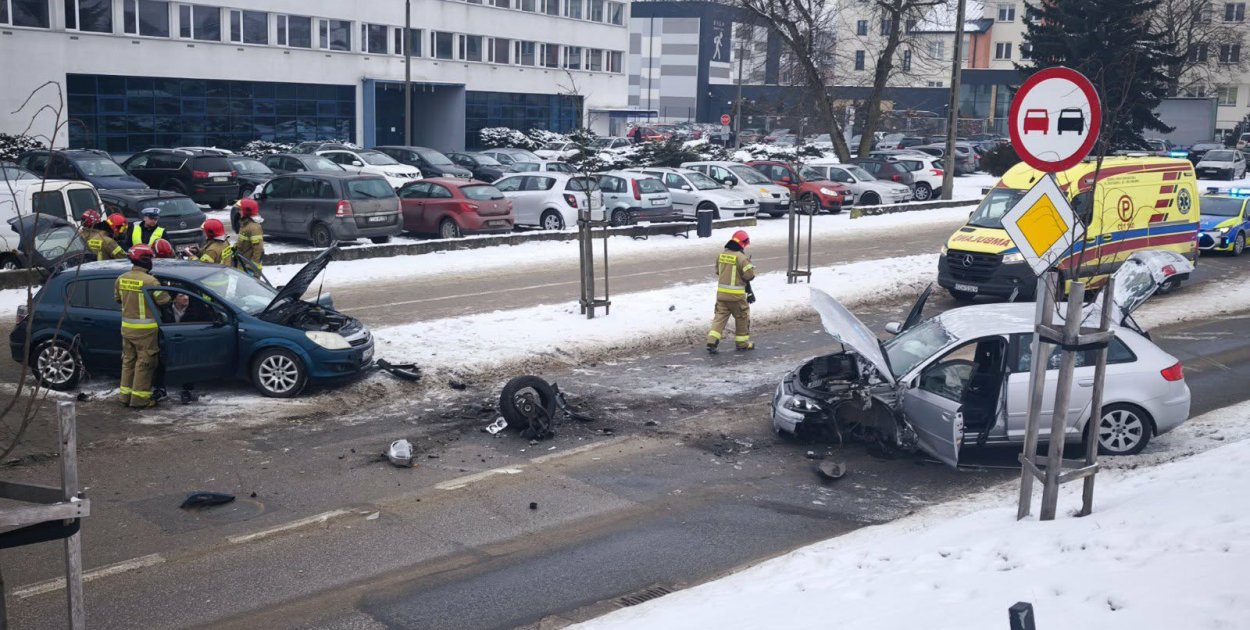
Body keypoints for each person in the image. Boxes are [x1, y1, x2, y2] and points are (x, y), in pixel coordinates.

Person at [113, 244, 170, 409]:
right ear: (144, 260)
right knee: (145, 364)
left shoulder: (121, 278)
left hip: (126, 329)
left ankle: (124, 396)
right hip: (145, 331)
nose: (151, 261)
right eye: (150, 258)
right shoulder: (150, 281)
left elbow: (118, 299)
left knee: (128, 362)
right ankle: (139, 400)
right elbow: (164, 301)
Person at [707, 230, 756, 353]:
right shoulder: (742, 258)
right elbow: (750, 276)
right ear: (743, 243)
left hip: (722, 295)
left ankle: (712, 341)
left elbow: (718, 272)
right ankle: (742, 343)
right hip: (737, 296)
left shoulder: (721, 255)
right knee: (742, 317)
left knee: (720, 317)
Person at [233, 198, 265, 268]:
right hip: (242, 264)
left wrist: (252, 266)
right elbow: (243, 243)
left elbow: (258, 249)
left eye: (240, 210)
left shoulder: (254, 227)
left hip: (248, 267)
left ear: (247, 211)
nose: (239, 212)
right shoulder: (245, 224)